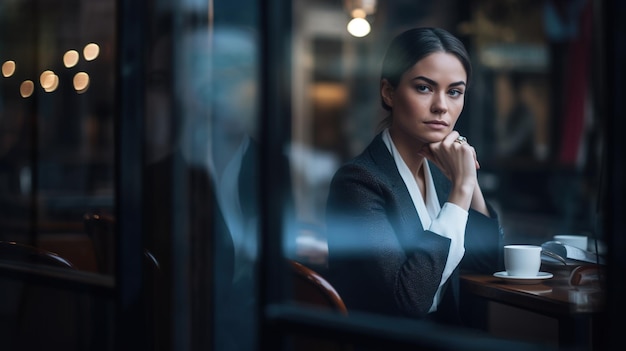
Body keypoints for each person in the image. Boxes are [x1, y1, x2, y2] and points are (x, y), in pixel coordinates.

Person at [325, 27, 503, 326]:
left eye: (454, 92)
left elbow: (488, 267)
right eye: (424, 87)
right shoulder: (358, 182)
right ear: (389, 92)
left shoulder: (442, 174)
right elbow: (408, 300)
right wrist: (460, 189)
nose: (441, 106)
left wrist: (469, 183)